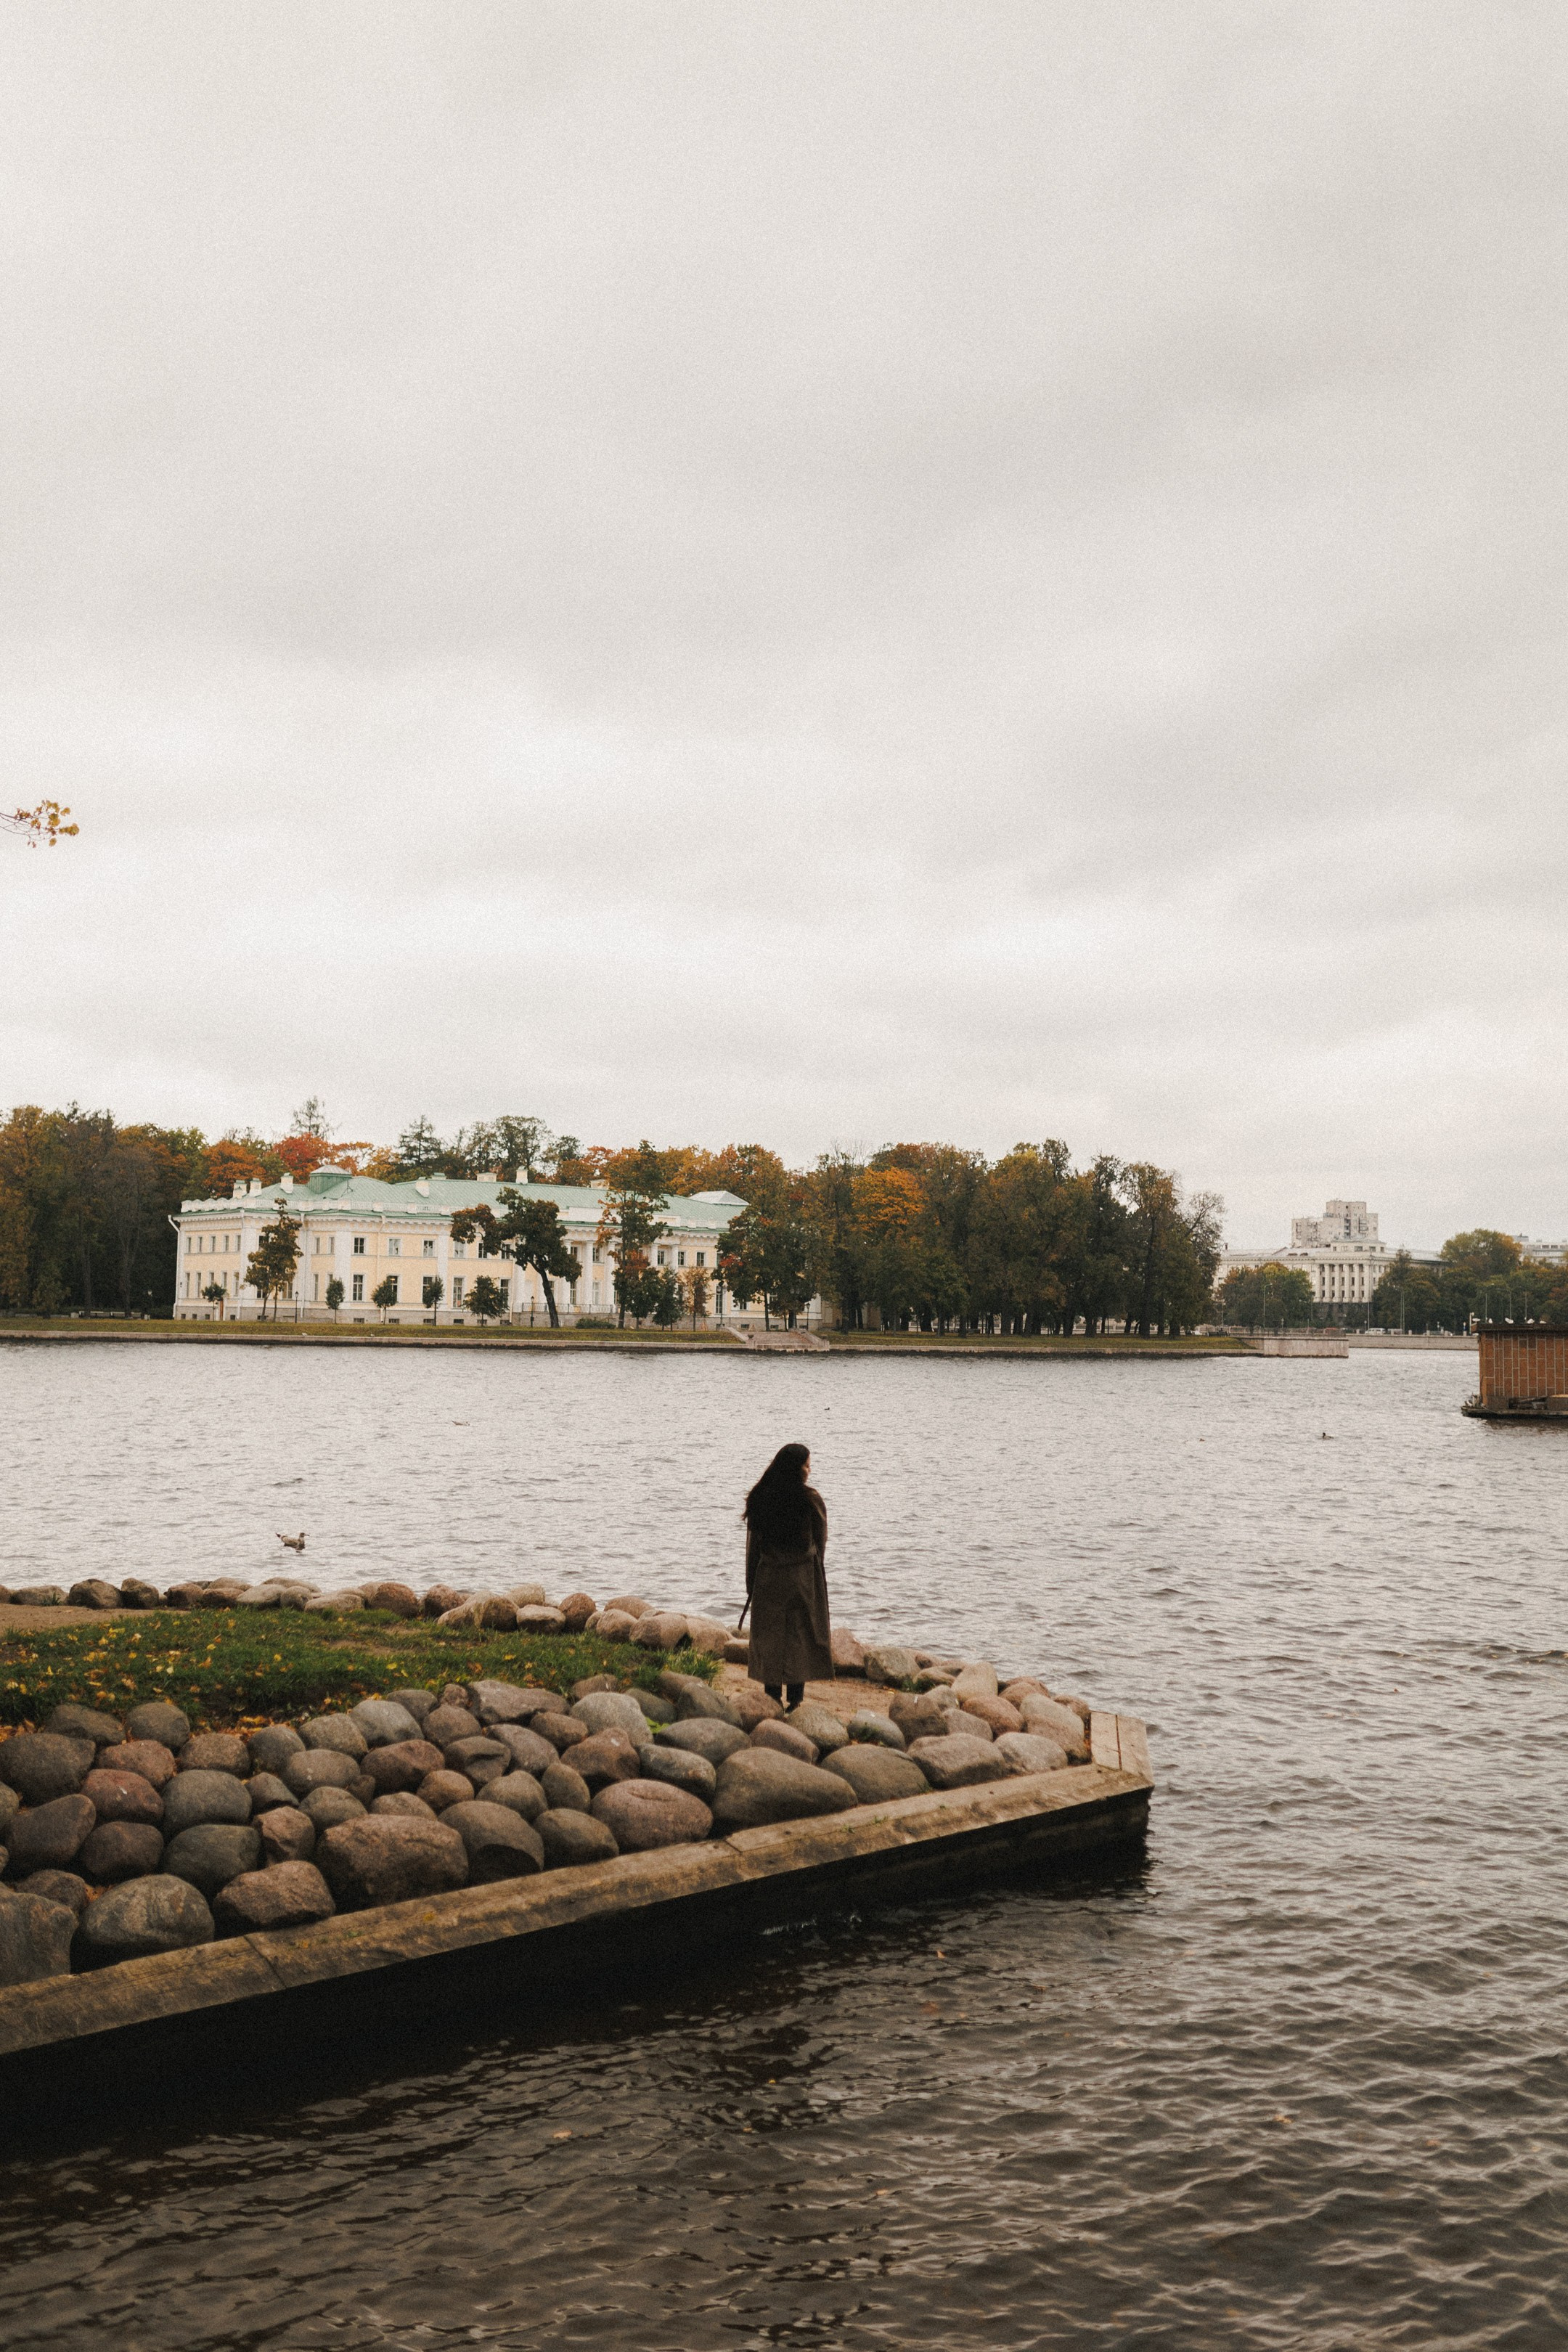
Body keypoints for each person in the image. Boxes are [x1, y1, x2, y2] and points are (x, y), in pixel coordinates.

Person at [743, 1441, 833, 1707]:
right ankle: (796, 1700)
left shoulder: (759, 1497)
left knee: (770, 1635)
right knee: (800, 1635)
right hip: (802, 1577)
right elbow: (821, 1542)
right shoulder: (810, 1500)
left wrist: (751, 1584)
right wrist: (817, 1575)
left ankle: (771, 1698)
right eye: (807, 1465)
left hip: (769, 1577)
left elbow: (753, 1548)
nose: (810, 1470)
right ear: (797, 1468)